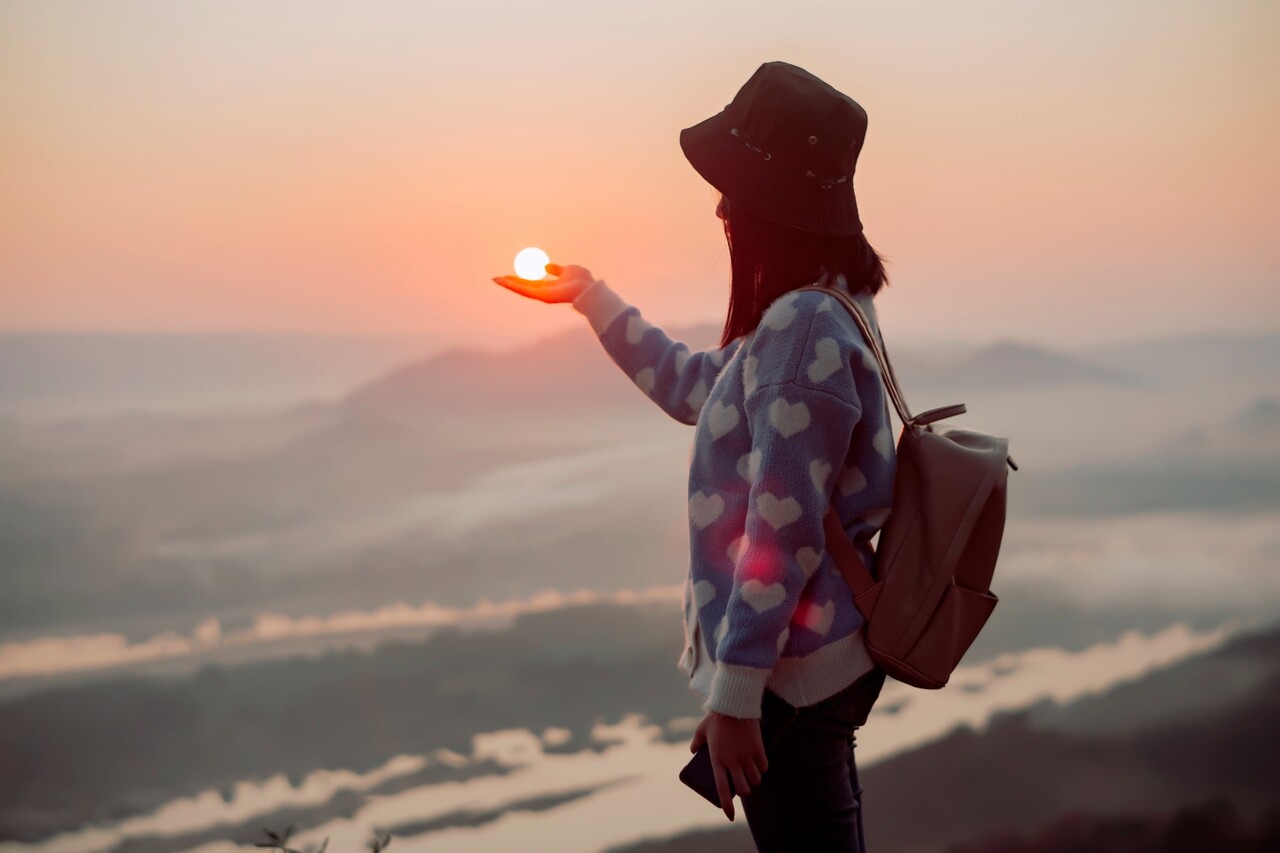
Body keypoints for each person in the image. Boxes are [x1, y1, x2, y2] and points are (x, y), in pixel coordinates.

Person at [493, 61, 896, 852]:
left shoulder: (802, 330)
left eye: (735, 190)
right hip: (805, 667)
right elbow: (691, 387)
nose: (720, 206)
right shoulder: (813, 311)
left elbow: (782, 527)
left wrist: (738, 693)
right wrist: (589, 295)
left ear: (771, 209)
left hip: (793, 674)